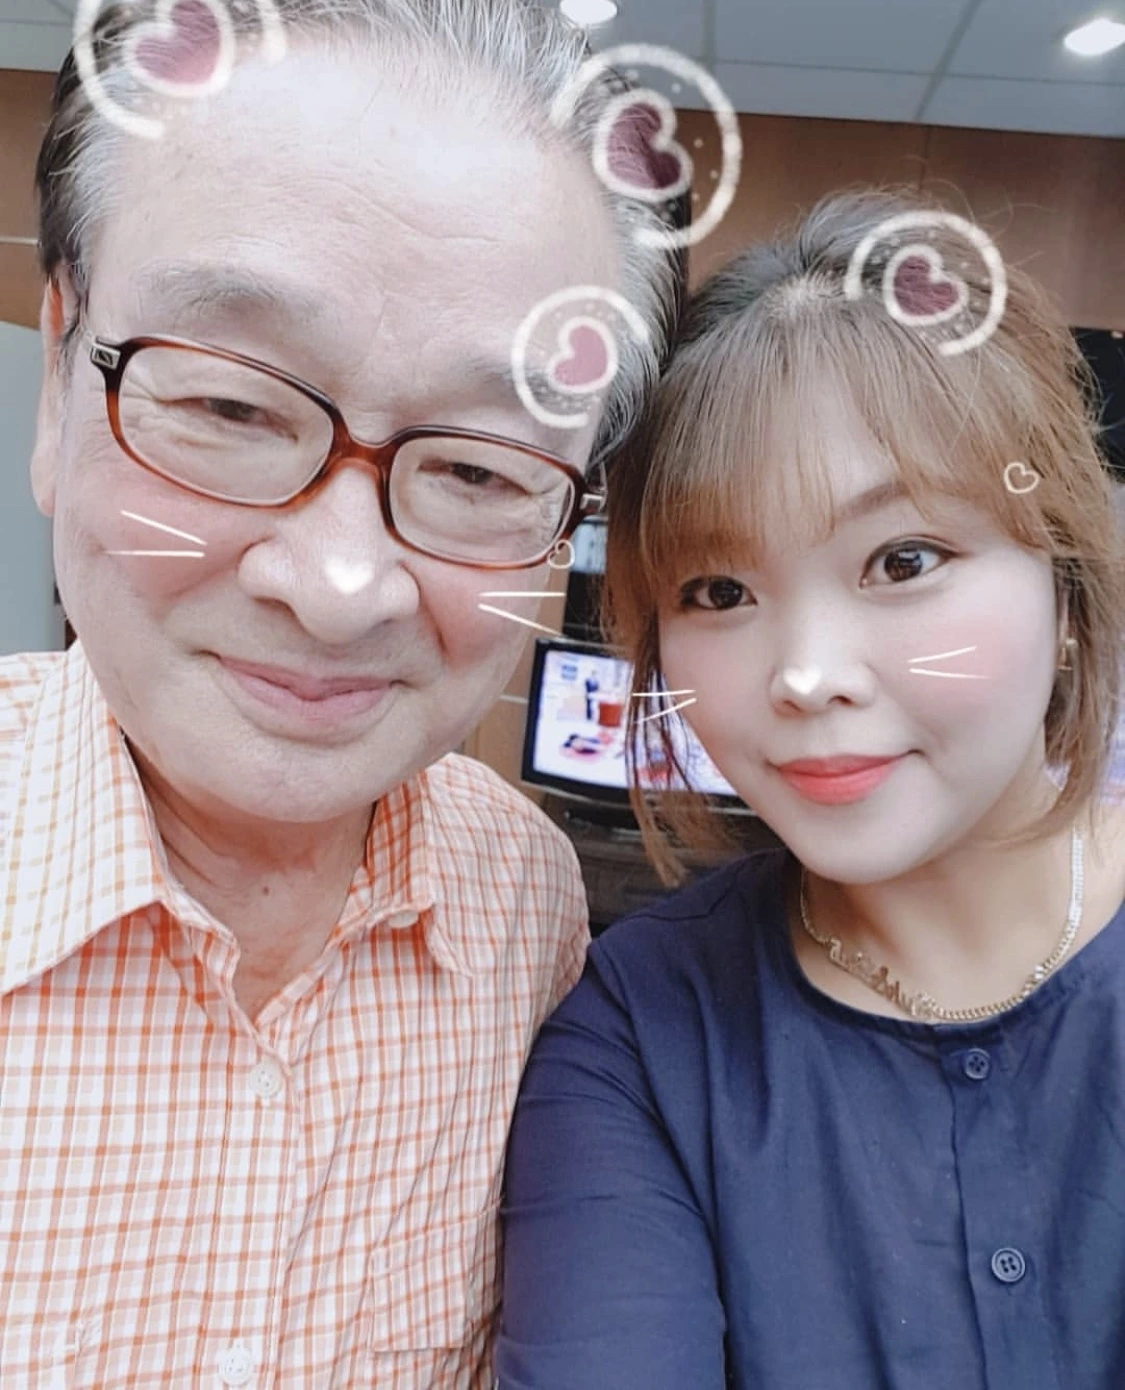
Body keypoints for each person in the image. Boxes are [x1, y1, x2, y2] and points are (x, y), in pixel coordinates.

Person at [0, 1, 683, 1384]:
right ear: (59, 384)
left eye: (481, 468)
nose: (340, 585)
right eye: (231, 405)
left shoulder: (524, 905)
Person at [498, 190, 1125, 1388]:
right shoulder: (642, 1034)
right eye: (719, 592)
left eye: (904, 559)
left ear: (1064, 582)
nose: (804, 675)